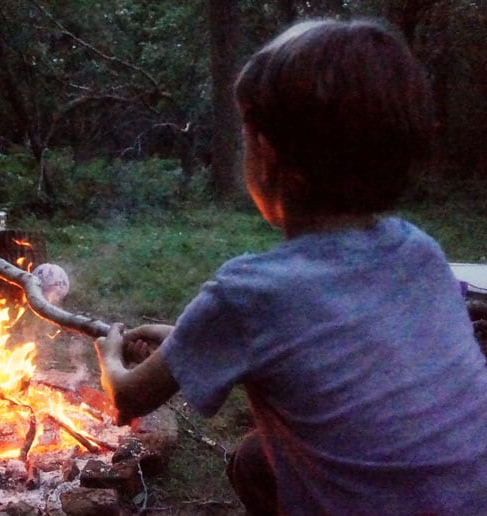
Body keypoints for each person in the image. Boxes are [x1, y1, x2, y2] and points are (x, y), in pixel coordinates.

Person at [94, 18, 487, 514]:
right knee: (257, 459)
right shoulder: (420, 252)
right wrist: (186, 342)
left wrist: (109, 353)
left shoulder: (249, 293)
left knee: (259, 459)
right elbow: (337, 343)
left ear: (267, 150)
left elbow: (128, 397)